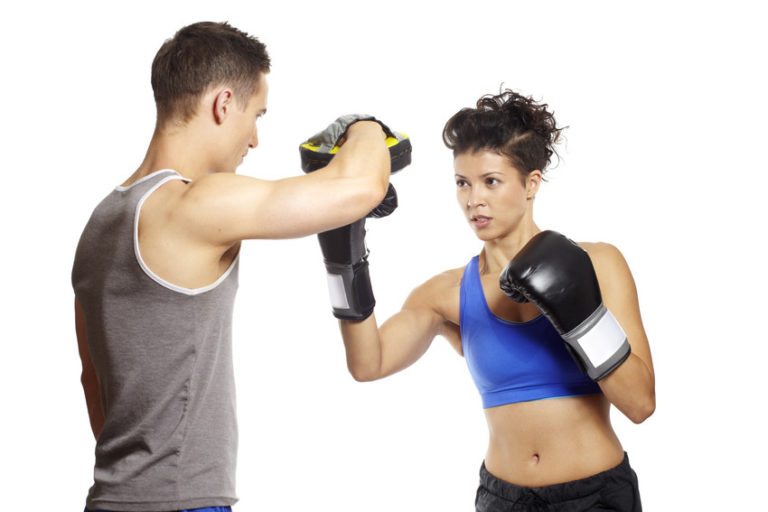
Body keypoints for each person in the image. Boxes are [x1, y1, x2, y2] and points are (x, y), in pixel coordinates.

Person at [72, 21, 409, 512]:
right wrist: (365, 127)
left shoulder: (101, 221)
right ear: (223, 104)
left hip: (111, 499)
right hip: (180, 502)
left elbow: (92, 380)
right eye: (257, 115)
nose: (254, 139)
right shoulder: (193, 204)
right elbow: (359, 188)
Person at [317, 89, 654, 511]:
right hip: (501, 499)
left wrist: (580, 315)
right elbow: (368, 364)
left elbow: (641, 404)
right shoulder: (446, 293)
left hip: (596, 496)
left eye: (491, 181)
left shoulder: (597, 264)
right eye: (462, 182)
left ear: (531, 183)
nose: (473, 200)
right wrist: (342, 258)